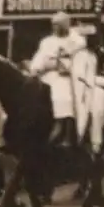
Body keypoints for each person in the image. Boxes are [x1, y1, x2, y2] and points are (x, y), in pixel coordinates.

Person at [29, 11, 86, 145]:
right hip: (46, 75)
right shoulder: (47, 41)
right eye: (53, 25)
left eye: (57, 25)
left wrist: (60, 63)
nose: (54, 28)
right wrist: (35, 69)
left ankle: (64, 130)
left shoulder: (77, 41)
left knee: (63, 95)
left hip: (67, 76)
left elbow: (76, 60)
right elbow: (39, 57)